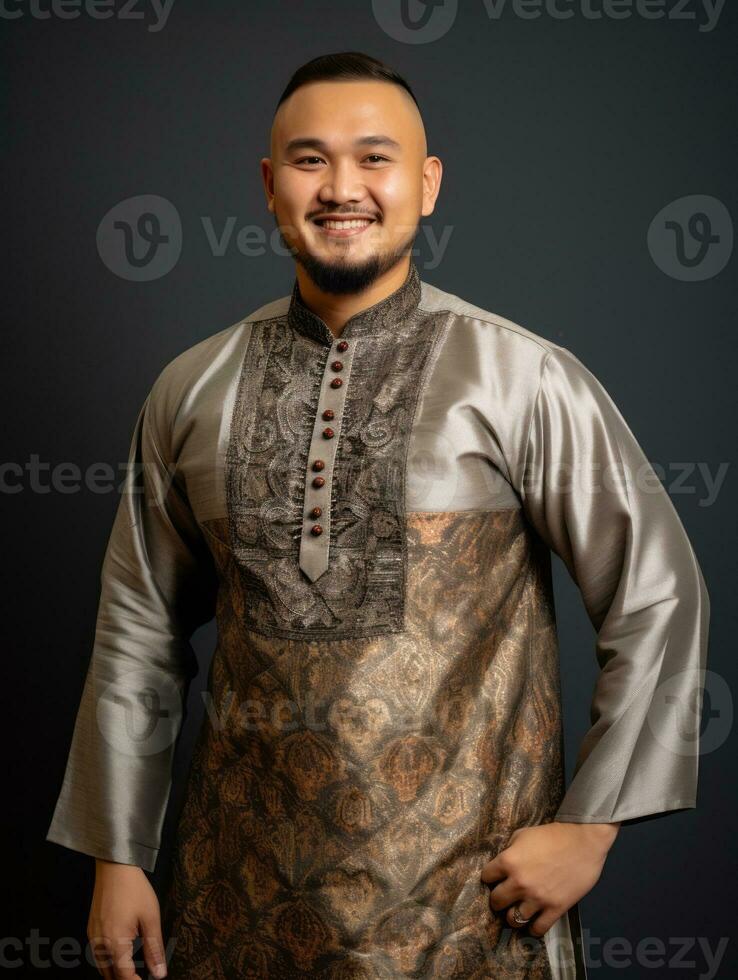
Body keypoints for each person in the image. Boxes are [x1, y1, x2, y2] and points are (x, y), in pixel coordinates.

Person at [46, 51, 710, 980]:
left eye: (376, 158)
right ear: (271, 188)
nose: (342, 187)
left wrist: (590, 827)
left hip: (468, 916)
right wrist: (117, 858)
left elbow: (659, 597)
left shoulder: (522, 380)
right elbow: (137, 630)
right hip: (230, 903)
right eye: (311, 161)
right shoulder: (192, 389)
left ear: (427, 185)